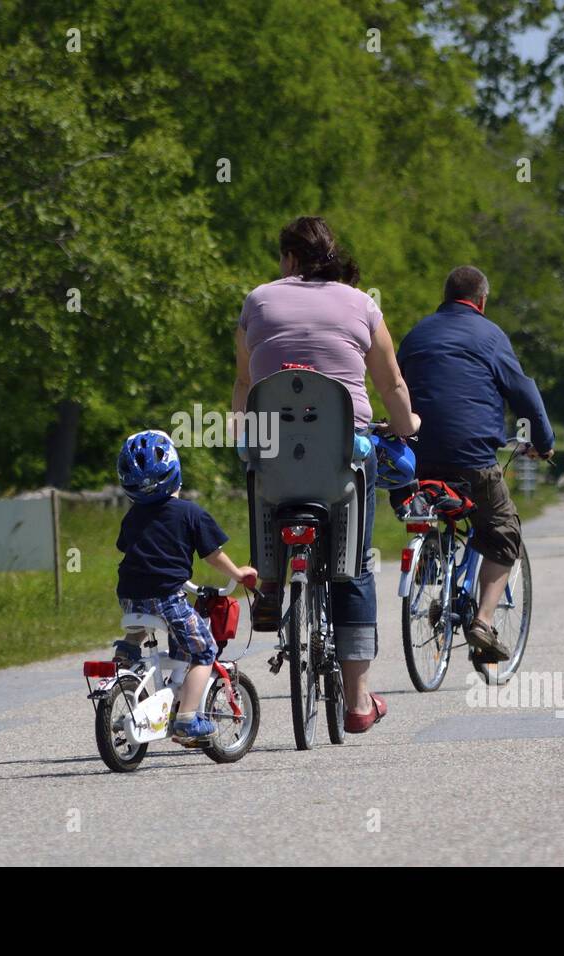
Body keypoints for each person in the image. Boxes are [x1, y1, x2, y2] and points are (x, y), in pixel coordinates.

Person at [232, 215, 420, 734]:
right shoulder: (361, 304)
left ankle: (269, 581)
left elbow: (245, 381)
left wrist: (242, 441)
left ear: (288, 257)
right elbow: (392, 383)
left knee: (261, 481)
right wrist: (408, 426)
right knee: (355, 563)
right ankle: (358, 701)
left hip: (275, 459)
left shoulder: (257, 301)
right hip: (342, 458)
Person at [396, 266, 554, 664]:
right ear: (481, 301)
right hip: (472, 462)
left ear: (445, 295)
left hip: (416, 461)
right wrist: (544, 442)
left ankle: (433, 563)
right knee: (503, 529)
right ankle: (482, 622)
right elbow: (524, 391)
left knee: (435, 504)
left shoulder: (416, 334)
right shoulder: (490, 335)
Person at [114, 429, 256, 743]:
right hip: (167, 597)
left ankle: (128, 646)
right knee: (203, 650)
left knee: (148, 611)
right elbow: (212, 555)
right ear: (176, 471)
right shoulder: (190, 513)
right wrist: (238, 572)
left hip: (128, 596)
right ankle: (189, 718)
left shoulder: (132, 516)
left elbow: (128, 549)